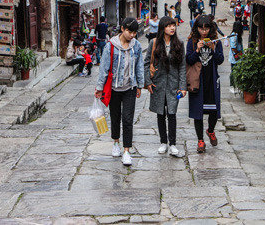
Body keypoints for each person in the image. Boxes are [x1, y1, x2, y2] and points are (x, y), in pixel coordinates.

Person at [96, 17, 144, 166]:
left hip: (130, 87)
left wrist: (140, 85)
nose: (132, 35)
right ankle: (116, 142)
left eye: (134, 32)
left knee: (128, 119)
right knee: (115, 116)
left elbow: (139, 66)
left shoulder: (136, 46)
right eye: (130, 31)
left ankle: (127, 151)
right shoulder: (111, 46)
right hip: (114, 88)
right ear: (122, 29)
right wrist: (99, 88)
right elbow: (104, 68)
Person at [144, 16, 186, 157]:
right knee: (160, 113)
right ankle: (163, 142)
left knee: (172, 113)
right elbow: (146, 63)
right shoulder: (154, 43)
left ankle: (173, 143)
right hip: (158, 83)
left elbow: (182, 67)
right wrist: (148, 82)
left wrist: (182, 86)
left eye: (173, 25)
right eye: (169, 26)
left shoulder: (179, 44)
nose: (172, 28)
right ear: (163, 28)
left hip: (173, 85)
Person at [186, 15, 224, 153]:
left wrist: (213, 49)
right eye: (201, 28)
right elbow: (189, 60)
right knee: (198, 112)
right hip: (198, 81)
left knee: (214, 112)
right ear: (196, 28)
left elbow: (220, 61)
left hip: (212, 80)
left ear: (210, 28)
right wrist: (197, 50)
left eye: (206, 28)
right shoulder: (192, 42)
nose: (204, 31)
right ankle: (200, 140)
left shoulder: (216, 42)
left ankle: (211, 130)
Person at [228, 21, 244, 94]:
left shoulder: (237, 35)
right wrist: (238, 54)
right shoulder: (234, 36)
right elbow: (233, 47)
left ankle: (236, 85)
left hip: (238, 57)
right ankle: (232, 86)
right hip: (235, 57)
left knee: (236, 71)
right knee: (234, 72)